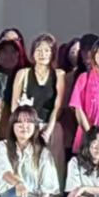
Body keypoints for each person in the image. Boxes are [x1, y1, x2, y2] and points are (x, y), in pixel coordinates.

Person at [10, 33, 69, 173]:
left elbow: (58, 106)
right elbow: (14, 106)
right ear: (33, 53)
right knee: (27, 167)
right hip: (27, 126)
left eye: (47, 50)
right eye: (39, 50)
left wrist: (48, 129)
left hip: (50, 126)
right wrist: (23, 127)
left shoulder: (59, 74)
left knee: (52, 168)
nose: (43, 54)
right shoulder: (23, 74)